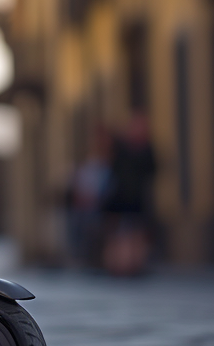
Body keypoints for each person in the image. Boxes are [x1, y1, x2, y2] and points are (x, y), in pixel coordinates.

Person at [103, 114, 156, 276]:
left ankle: (134, 265)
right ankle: (120, 265)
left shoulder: (146, 149)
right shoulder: (123, 150)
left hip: (138, 199)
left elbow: (152, 170)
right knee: (120, 234)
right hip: (121, 199)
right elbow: (115, 173)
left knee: (137, 233)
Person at [66, 128, 111, 269]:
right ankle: (79, 256)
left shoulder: (109, 166)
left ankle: (95, 259)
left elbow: (108, 191)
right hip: (86, 207)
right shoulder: (88, 165)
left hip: (103, 208)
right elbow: (79, 189)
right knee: (77, 218)